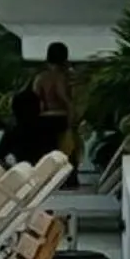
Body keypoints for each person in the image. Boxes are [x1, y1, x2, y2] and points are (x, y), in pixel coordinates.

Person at [33, 41, 79, 173]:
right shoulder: (64, 77)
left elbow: (36, 100)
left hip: (44, 118)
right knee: (67, 151)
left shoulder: (41, 77)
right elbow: (67, 100)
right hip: (62, 117)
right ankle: (69, 179)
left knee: (46, 151)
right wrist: (72, 122)